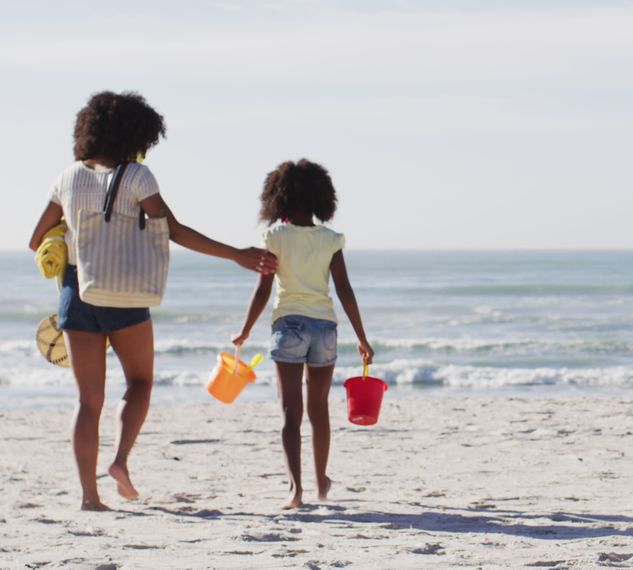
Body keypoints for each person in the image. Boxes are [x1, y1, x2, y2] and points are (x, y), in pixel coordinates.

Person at [28, 91, 276, 511]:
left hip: (76, 293)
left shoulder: (66, 178)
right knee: (140, 383)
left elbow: (37, 240)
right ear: (135, 134)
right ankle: (120, 461)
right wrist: (237, 254)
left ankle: (90, 498)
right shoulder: (139, 178)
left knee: (88, 400)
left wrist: (69, 239)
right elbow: (174, 230)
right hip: (124, 294)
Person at [232, 159, 375, 509]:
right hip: (325, 328)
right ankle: (321, 482)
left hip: (289, 326)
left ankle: (296, 490)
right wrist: (362, 336)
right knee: (319, 410)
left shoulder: (274, 238)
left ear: (278, 197)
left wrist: (245, 330)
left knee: (290, 413)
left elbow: (263, 291)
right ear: (321, 198)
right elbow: (344, 289)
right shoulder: (330, 239)